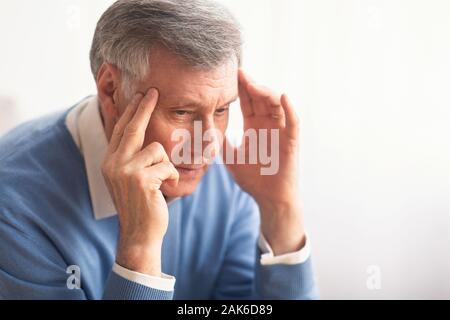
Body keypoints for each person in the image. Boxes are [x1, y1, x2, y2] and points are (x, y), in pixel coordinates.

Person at [0, 0, 318, 300]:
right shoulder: (14, 208)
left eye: (222, 110)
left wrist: (280, 208)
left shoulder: (228, 178)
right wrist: (139, 251)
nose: (209, 144)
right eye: (181, 112)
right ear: (111, 90)